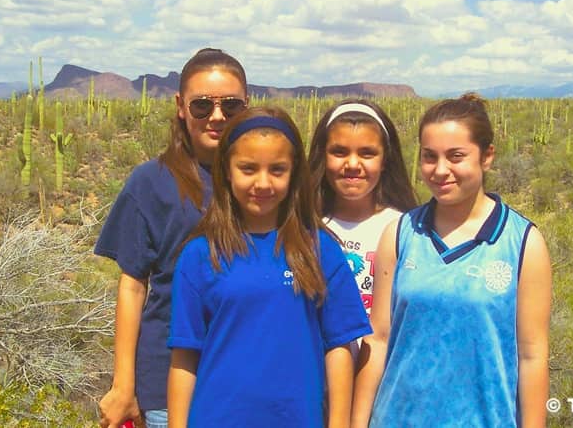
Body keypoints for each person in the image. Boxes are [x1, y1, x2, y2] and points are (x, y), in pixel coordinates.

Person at [352, 94, 552, 428]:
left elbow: (532, 356)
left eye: (456, 156)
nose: (440, 170)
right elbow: (379, 338)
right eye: (430, 157)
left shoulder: (521, 243)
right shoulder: (400, 235)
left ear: (487, 156)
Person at [166, 107, 372, 428]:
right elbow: (184, 358)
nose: (263, 183)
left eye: (277, 170)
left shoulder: (318, 249)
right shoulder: (200, 254)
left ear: (294, 174)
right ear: (227, 171)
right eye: (248, 169)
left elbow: (340, 346)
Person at [95, 48, 249, 428]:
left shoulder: (266, 182)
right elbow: (133, 286)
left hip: (248, 378)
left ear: (247, 106)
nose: (217, 117)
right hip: (168, 382)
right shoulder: (151, 182)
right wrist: (123, 385)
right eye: (202, 106)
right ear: (181, 106)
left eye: (231, 105)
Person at [308, 100, 417, 321]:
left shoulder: (404, 230)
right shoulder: (304, 225)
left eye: (367, 153)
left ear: (385, 159)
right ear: (323, 156)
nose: (352, 164)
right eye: (339, 152)